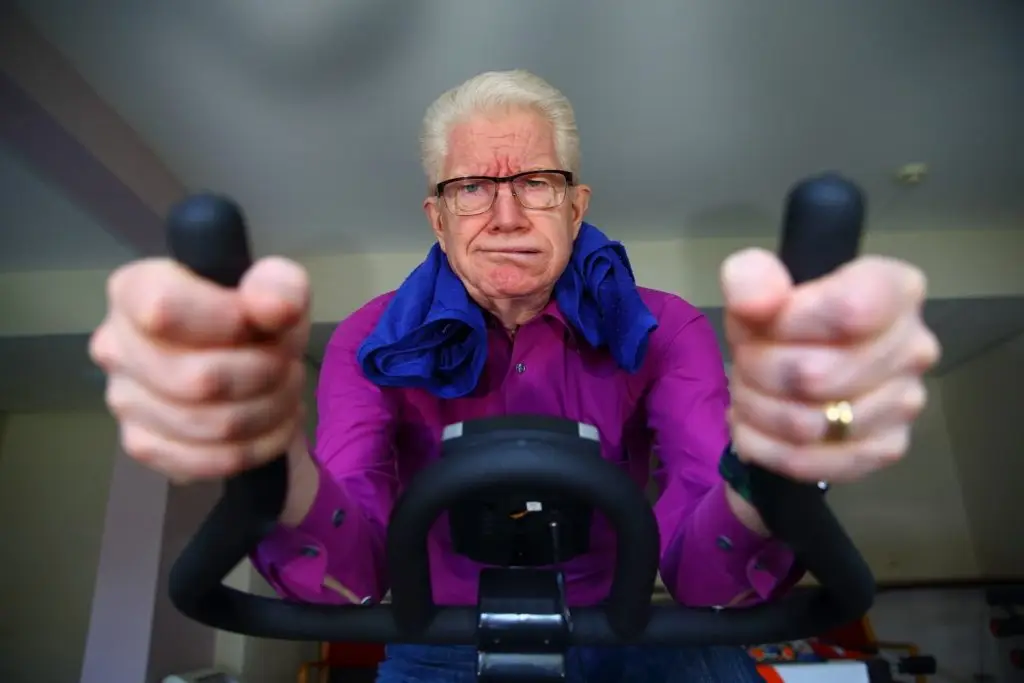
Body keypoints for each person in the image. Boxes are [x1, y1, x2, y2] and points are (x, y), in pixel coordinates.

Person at [90, 70, 941, 682]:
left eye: (535, 182)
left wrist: (788, 455)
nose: (504, 216)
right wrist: (267, 465)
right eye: (471, 187)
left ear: (576, 204)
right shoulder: (366, 339)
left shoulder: (664, 326)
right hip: (437, 641)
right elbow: (347, 575)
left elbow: (707, 574)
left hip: (645, 635)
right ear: (437, 212)